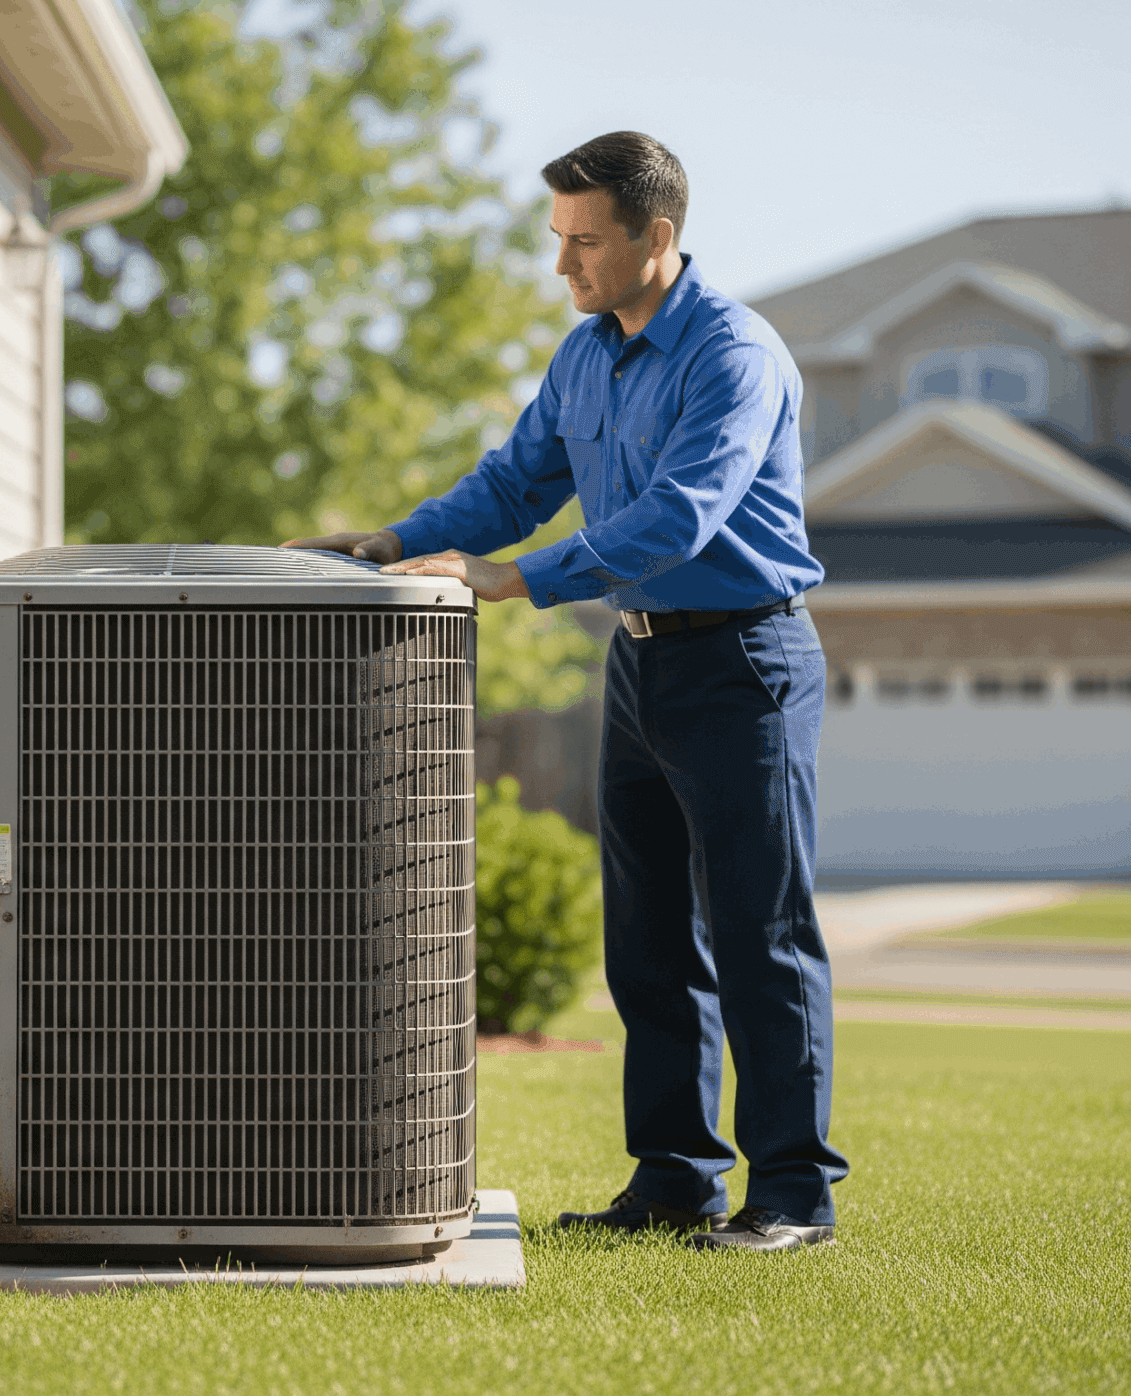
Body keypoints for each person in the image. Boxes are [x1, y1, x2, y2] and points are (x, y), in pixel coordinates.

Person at [287, 131, 846, 1252]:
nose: (565, 266)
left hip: (744, 663)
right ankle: (677, 1175)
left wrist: (514, 579)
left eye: (585, 242)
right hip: (639, 661)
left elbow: (678, 515)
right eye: (559, 239)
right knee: (646, 936)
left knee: (757, 933)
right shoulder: (584, 356)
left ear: (658, 237)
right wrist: (393, 541)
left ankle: (791, 1197)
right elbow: (512, 484)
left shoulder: (734, 355)